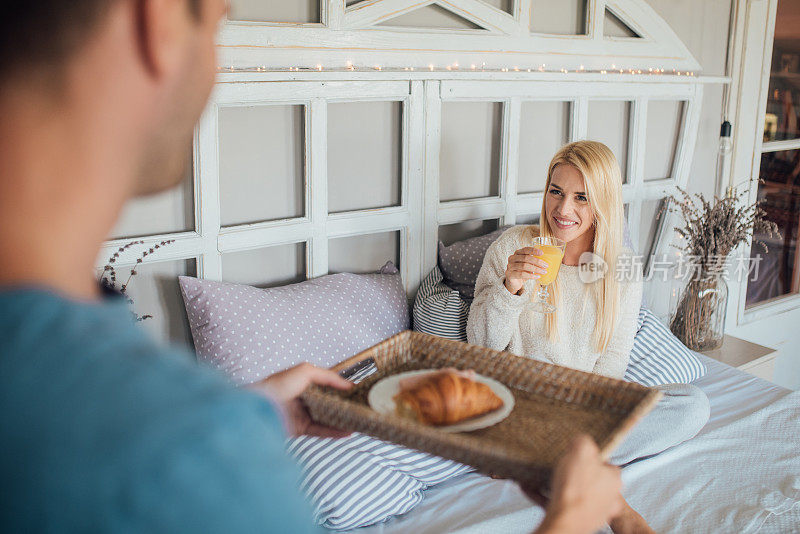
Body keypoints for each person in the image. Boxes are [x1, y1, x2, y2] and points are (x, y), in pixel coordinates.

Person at [0, 2, 622, 532]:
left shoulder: (120, 411)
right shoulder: (201, 457)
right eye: (217, 21)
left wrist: (255, 412)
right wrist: (568, 518)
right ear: (157, 22)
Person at [467, 140, 711, 534]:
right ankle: (615, 510)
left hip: (580, 413)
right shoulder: (513, 248)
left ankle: (546, 464)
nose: (564, 210)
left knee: (693, 404)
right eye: (556, 192)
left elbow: (611, 368)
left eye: (582, 197)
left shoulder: (622, 272)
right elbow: (481, 347)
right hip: (516, 409)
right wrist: (510, 287)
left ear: (603, 202)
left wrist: (584, 422)